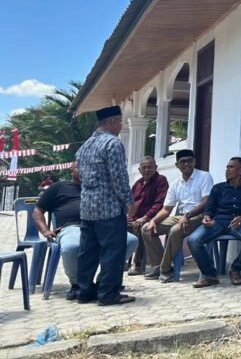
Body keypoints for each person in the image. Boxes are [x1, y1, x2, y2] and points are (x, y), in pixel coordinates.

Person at [33, 162, 138, 300]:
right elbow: (37, 211)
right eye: (80, 168)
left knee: (130, 240)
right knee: (72, 246)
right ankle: (78, 285)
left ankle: (104, 282)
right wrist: (45, 230)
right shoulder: (58, 187)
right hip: (71, 227)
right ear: (71, 170)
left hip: (101, 226)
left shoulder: (97, 188)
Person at [75, 105, 135, 305]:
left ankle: (84, 291)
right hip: (108, 208)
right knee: (112, 251)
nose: (120, 126)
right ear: (112, 122)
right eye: (119, 122)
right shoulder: (113, 143)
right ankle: (108, 294)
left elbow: (80, 176)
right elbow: (118, 177)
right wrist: (128, 201)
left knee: (88, 251)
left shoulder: (85, 146)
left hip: (87, 208)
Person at [141, 149, 213, 282]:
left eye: (189, 161)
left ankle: (165, 270)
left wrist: (188, 215)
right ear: (177, 165)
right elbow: (167, 209)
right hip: (180, 216)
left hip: (198, 216)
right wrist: (154, 221)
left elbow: (205, 201)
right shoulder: (175, 184)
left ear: (194, 162)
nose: (186, 164)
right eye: (182, 161)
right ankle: (158, 265)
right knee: (146, 228)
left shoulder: (204, 176)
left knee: (175, 231)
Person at [188, 157, 241, 287]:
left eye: (231, 167)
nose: (227, 170)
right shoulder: (218, 188)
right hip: (218, 221)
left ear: (240, 171)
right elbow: (209, 208)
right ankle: (210, 274)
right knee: (193, 239)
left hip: (240, 223)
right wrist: (207, 217)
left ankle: (236, 269)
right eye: (227, 167)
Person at [126, 156, 168, 275]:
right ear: (139, 170)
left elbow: (159, 203)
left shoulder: (161, 180)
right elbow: (131, 203)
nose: (147, 170)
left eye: (150, 167)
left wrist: (145, 217)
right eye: (144, 168)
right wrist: (130, 217)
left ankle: (137, 264)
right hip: (135, 218)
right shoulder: (137, 184)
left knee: (141, 226)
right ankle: (121, 260)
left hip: (152, 218)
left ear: (156, 167)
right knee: (116, 225)